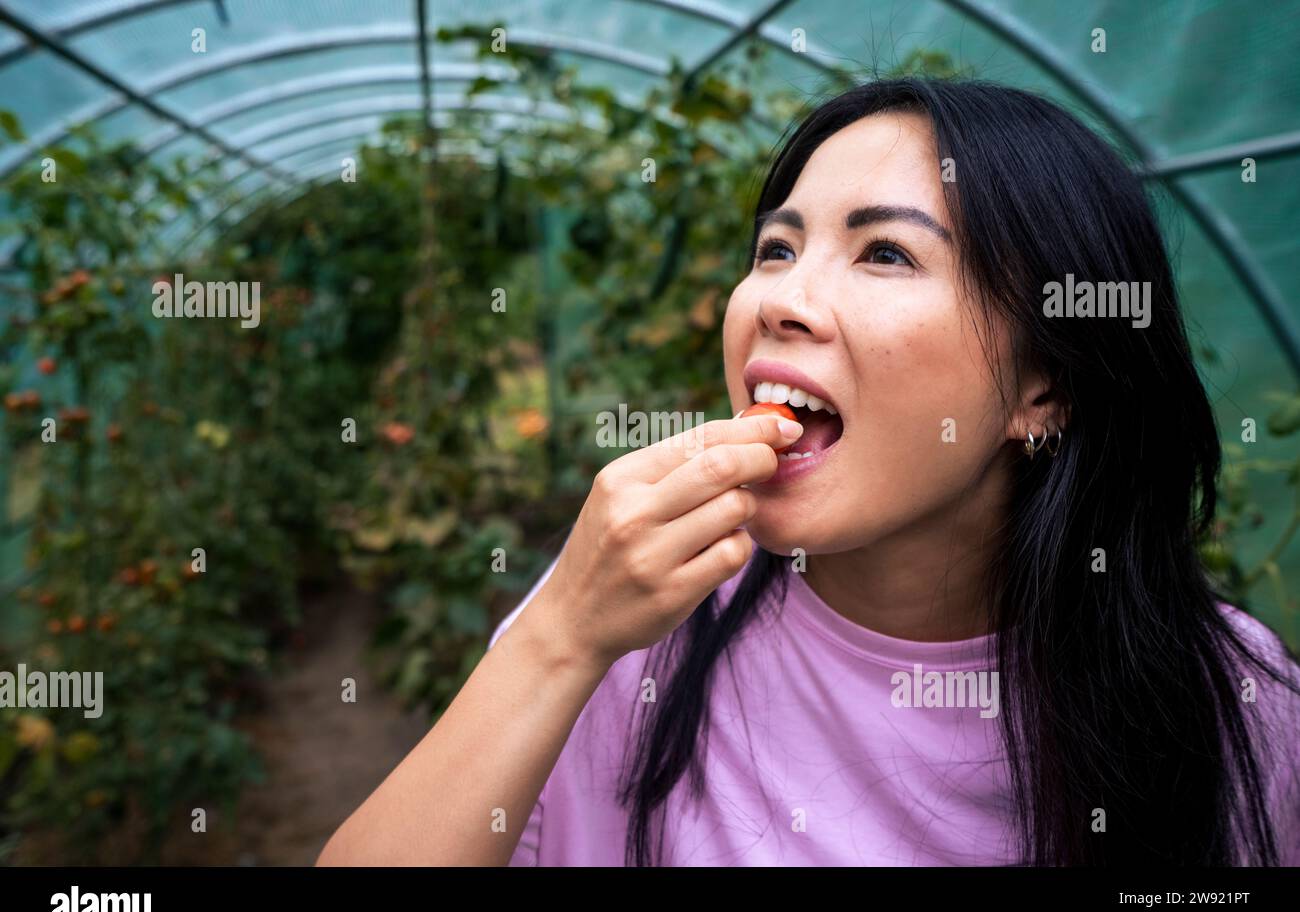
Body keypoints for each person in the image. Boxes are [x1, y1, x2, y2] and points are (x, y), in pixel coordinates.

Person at [318, 77, 1300, 867]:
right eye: (774, 248)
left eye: (882, 252)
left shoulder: (1233, 701)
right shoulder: (627, 623)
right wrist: (556, 637)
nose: (782, 297)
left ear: (1041, 387)